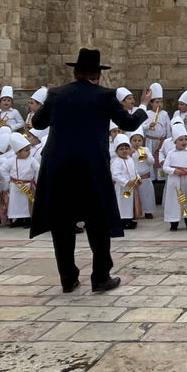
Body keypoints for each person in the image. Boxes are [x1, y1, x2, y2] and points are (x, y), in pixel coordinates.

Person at [29, 48, 148, 294]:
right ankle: (100, 276)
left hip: (58, 166)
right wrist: (143, 106)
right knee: (98, 221)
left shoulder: (56, 94)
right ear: (98, 75)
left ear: (75, 72)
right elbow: (128, 123)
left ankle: (68, 278)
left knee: (62, 224)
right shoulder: (104, 96)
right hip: (91, 167)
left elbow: (38, 122)